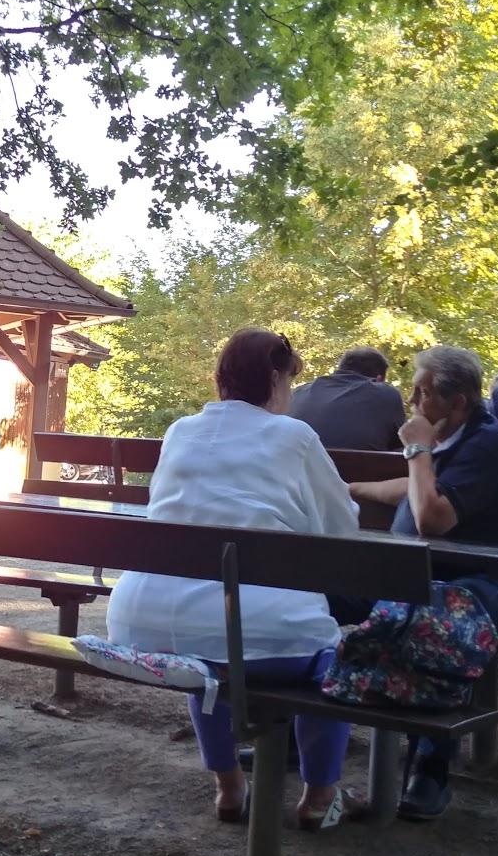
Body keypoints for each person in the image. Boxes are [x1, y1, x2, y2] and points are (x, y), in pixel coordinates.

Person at [106, 328, 364, 830]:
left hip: (147, 621)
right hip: (258, 631)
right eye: (289, 381)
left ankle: (228, 786)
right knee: (333, 657)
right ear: (274, 377)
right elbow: (340, 528)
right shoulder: (294, 436)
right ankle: (319, 797)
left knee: (207, 647)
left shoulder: (181, 430)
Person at [347, 346, 498, 820]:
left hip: (490, 585)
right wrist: (350, 489)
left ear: (458, 400)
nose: (411, 399)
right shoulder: (452, 439)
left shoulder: (488, 445)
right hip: (422, 577)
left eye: (422, 392)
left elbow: (432, 519)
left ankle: (431, 764)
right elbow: (411, 487)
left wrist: (418, 448)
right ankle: (302, 733)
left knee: (431, 617)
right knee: (322, 591)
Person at [288, 346, 406, 450]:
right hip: (361, 474)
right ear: (379, 379)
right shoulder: (386, 394)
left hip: (297, 473)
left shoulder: (300, 392)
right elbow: (401, 442)